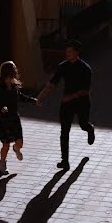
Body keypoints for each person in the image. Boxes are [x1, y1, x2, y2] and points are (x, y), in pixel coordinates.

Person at [37, 40, 94, 171]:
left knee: (83, 124)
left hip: (82, 102)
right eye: (66, 51)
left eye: (70, 52)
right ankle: (65, 161)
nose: (67, 54)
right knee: (64, 132)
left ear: (76, 53)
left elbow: (86, 90)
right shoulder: (63, 66)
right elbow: (52, 83)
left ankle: (89, 129)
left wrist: (70, 97)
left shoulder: (85, 68)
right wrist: (41, 96)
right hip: (66, 104)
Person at [0, 61, 39, 174]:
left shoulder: (14, 85)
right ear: (8, 71)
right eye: (14, 68)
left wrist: (34, 100)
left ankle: (16, 149)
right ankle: (2, 164)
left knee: (20, 142)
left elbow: (21, 97)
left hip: (14, 118)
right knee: (6, 144)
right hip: (2, 119)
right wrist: (1, 107)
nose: (16, 70)